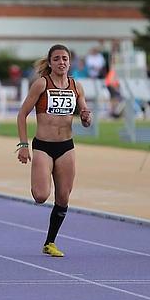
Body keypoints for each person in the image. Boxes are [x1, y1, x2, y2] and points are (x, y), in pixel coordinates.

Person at [16, 44, 91, 258]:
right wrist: (23, 145)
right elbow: (22, 114)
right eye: (57, 59)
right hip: (43, 146)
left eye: (65, 58)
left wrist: (86, 117)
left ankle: (50, 242)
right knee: (40, 196)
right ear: (50, 63)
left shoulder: (76, 86)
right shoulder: (42, 84)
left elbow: (85, 117)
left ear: (70, 62)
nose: (61, 62)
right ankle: (48, 238)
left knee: (63, 198)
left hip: (66, 146)